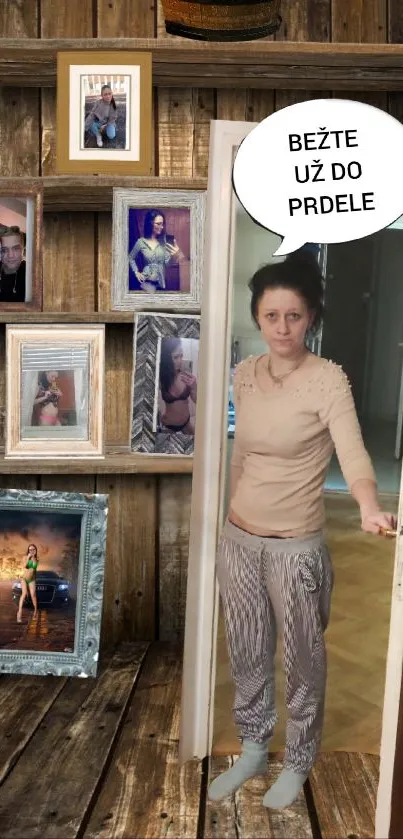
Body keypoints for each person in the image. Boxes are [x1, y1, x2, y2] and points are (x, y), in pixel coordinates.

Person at [208, 248, 396, 809]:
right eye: (271, 316)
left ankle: (299, 757)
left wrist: (368, 505)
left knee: (303, 659)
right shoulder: (245, 375)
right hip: (239, 539)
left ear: (310, 316)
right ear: (257, 317)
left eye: (294, 316)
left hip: (296, 548)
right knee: (246, 648)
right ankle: (253, 746)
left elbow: (355, 454)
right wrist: (224, 520)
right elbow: (242, 453)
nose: (282, 328)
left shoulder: (327, 381)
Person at [129, 209, 183, 292]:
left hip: (161, 284)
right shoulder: (141, 242)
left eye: (162, 224)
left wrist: (176, 255)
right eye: (158, 224)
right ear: (149, 224)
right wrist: (136, 272)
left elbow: (167, 263)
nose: (161, 227)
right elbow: (130, 258)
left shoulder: (163, 242)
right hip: (146, 284)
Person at [159, 338, 197, 434]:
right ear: (166, 358)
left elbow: (196, 400)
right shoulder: (161, 378)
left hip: (186, 423)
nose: (180, 361)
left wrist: (194, 387)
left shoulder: (186, 376)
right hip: (168, 426)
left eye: (181, 356)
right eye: (176, 357)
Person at [84, 84, 117, 148]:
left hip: (108, 123)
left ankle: (104, 129)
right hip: (98, 122)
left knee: (111, 136)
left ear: (112, 93)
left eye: (109, 94)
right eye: (105, 94)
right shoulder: (98, 103)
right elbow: (92, 115)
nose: (108, 96)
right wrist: (85, 126)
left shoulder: (113, 105)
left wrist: (105, 126)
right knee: (90, 122)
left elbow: (112, 119)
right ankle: (98, 135)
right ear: (102, 95)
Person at [0, 225, 26, 302]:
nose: (10, 255)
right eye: (4, 250)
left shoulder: (31, 274)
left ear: (23, 251)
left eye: (16, 249)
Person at [17, 544, 39, 623]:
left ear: (35, 550)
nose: (32, 551)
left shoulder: (36, 559)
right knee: (24, 593)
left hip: (32, 579)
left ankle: (35, 612)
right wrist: (28, 558)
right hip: (24, 578)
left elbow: (34, 570)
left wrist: (33, 558)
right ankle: (19, 613)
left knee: (33, 595)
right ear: (28, 551)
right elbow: (23, 566)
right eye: (30, 550)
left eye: (33, 549)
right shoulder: (25, 557)